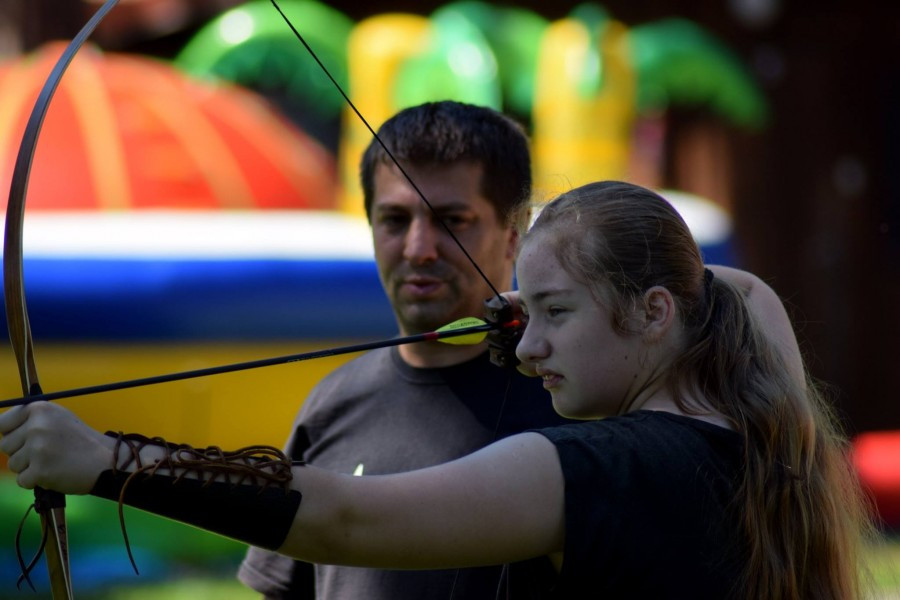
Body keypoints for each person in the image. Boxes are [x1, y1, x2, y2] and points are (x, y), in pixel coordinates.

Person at [0, 181, 873, 600]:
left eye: (553, 316)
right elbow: (735, 290)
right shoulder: (755, 418)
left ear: (654, 312)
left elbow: (345, 517)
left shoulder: (598, 469)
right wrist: (558, 299)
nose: (527, 344)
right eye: (522, 314)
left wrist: (108, 461)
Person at [238, 100, 576, 599]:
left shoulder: (571, 399)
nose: (418, 248)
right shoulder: (332, 402)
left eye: (452, 220)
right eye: (395, 219)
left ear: (515, 232)